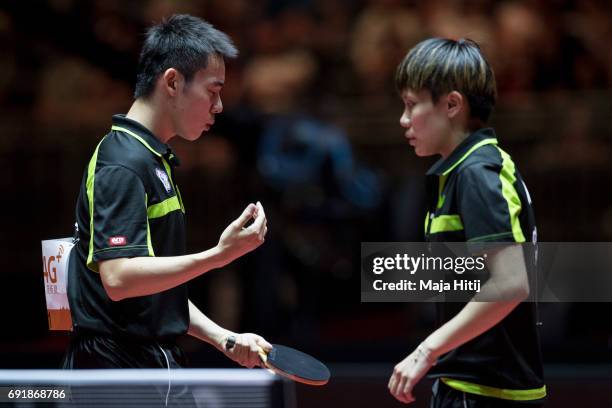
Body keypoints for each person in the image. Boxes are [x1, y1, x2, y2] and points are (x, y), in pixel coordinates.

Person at [62, 14, 272, 380]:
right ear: (173, 82)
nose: (219, 106)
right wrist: (219, 256)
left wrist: (225, 339)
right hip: (113, 374)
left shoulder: (151, 159)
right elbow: (120, 278)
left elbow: (155, 289)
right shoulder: (123, 164)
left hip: (150, 363)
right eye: (212, 90)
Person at [388, 38, 545, 407]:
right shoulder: (463, 170)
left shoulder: (478, 171)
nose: (403, 119)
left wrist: (427, 350)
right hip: (468, 384)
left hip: (490, 393)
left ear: (452, 104)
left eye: (412, 105)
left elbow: (510, 284)